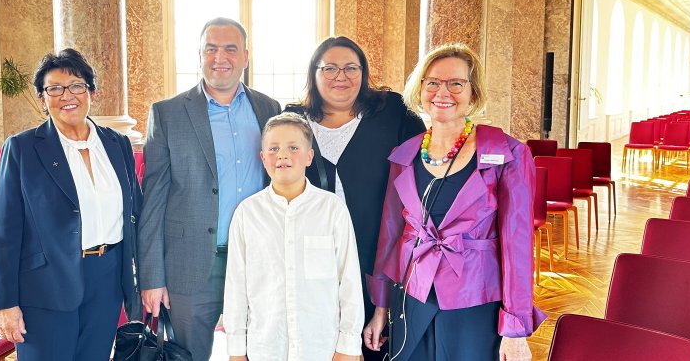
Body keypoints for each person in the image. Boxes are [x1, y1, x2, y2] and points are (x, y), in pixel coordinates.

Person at [362, 42, 545, 361]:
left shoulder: (508, 154)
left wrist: (514, 330)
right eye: (431, 82)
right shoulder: (404, 155)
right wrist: (380, 308)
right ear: (420, 89)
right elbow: (389, 237)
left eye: (455, 84)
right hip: (412, 294)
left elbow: (517, 247)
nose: (441, 92)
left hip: (475, 300)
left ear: (473, 93)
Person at [139, 17, 281, 360]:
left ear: (245, 56)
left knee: (260, 351)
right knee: (188, 354)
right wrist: (152, 277)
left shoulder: (270, 109)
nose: (221, 57)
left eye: (230, 49)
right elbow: (153, 201)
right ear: (199, 55)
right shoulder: (167, 113)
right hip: (190, 264)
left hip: (258, 259)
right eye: (211, 49)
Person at [0, 48, 142, 360]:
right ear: (43, 100)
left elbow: (135, 213)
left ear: (91, 93)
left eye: (76, 85)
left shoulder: (117, 144)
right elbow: (4, 232)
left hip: (107, 277)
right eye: (54, 88)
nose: (66, 95)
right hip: (45, 284)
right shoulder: (22, 149)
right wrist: (4, 303)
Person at [285, 36, 426, 360]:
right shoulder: (292, 118)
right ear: (314, 73)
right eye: (330, 68)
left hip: (375, 258)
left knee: (374, 344)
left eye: (351, 67)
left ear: (363, 73)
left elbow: (425, 164)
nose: (341, 76)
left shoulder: (393, 112)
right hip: (311, 263)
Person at [224, 113, 364, 361]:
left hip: (321, 347)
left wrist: (349, 346)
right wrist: (236, 351)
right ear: (263, 157)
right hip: (266, 348)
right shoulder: (247, 214)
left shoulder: (332, 209)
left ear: (309, 156)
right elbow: (236, 287)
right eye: (274, 148)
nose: (283, 155)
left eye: (293, 147)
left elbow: (349, 281)